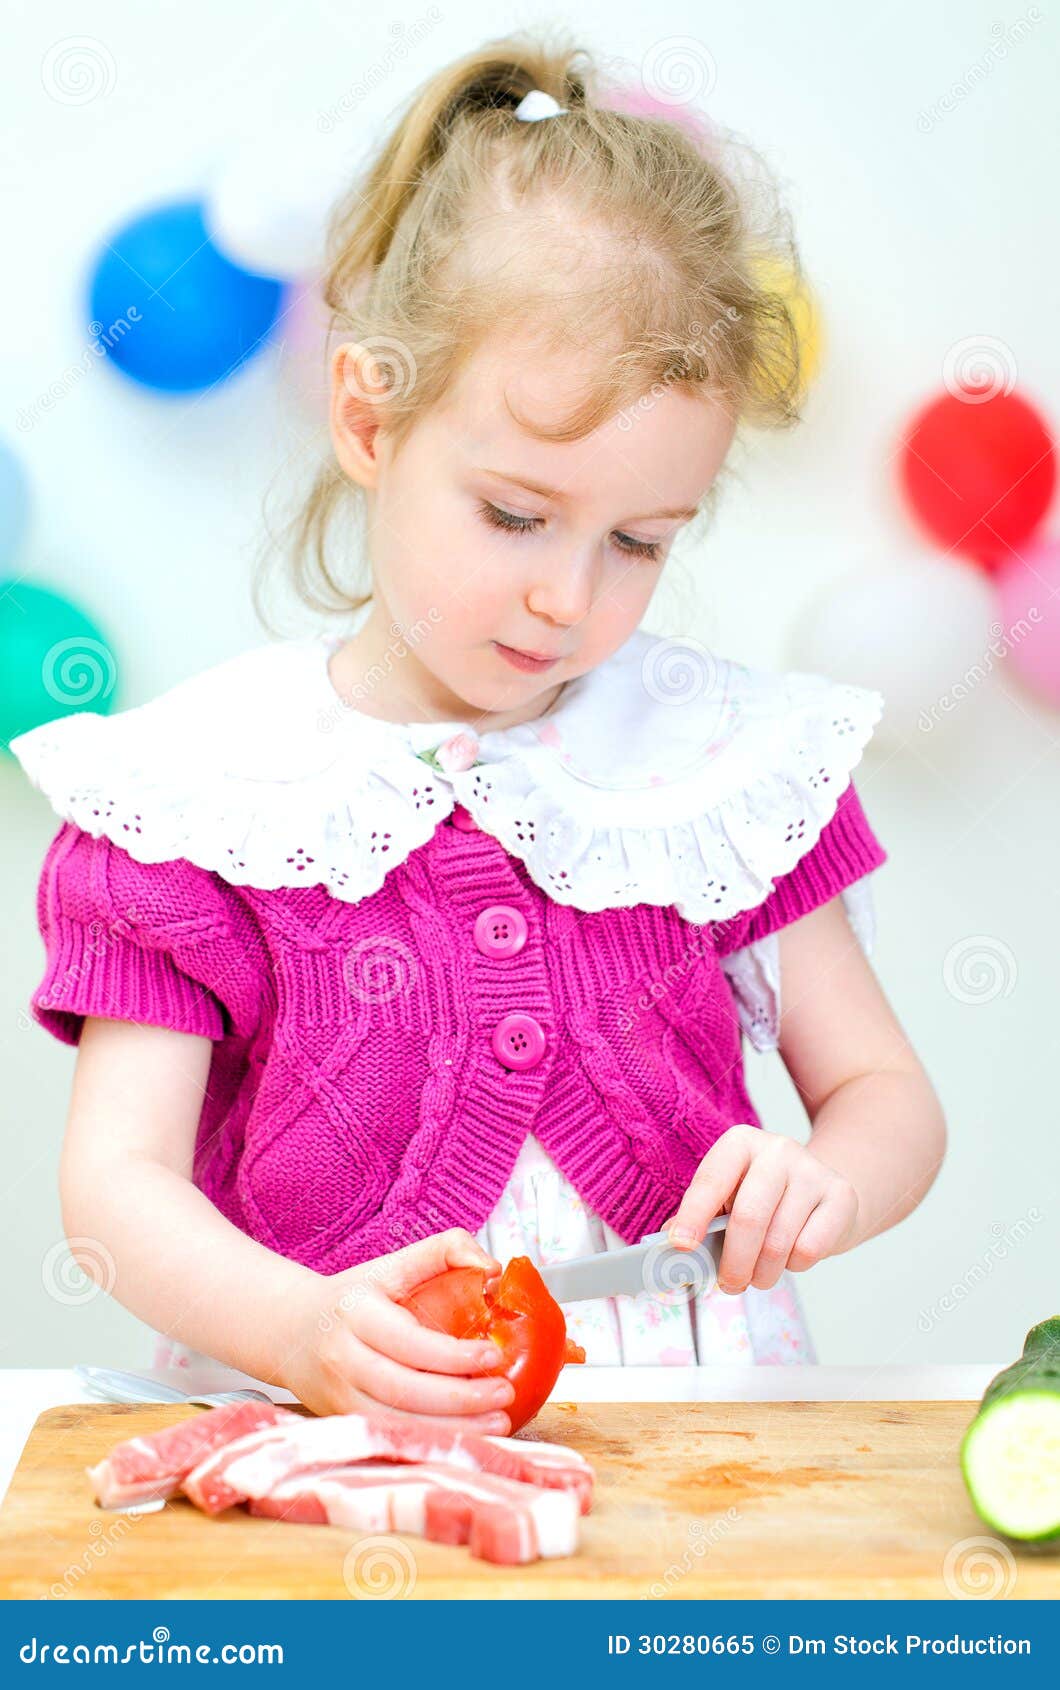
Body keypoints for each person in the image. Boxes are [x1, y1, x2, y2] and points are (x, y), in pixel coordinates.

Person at [11, 36, 946, 1424]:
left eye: (639, 540)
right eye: (515, 514)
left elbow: (885, 1093)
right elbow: (115, 1184)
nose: (568, 596)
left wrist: (831, 1179)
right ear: (367, 418)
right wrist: (298, 1327)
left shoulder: (722, 768)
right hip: (330, 1420)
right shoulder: (199, 795)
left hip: (698, 1430)